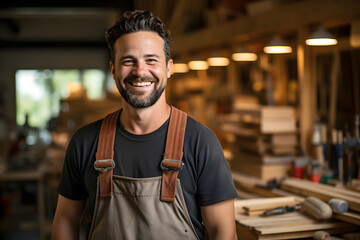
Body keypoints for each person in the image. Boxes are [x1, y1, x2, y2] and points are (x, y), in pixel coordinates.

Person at [51, 10, 238, 240]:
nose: (140, 71)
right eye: (128, 61)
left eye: (151, 60)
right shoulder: (85, 142)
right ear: (113, 70)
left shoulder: (201, 142)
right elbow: (65, 220)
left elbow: (224, 233)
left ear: (169, 68)